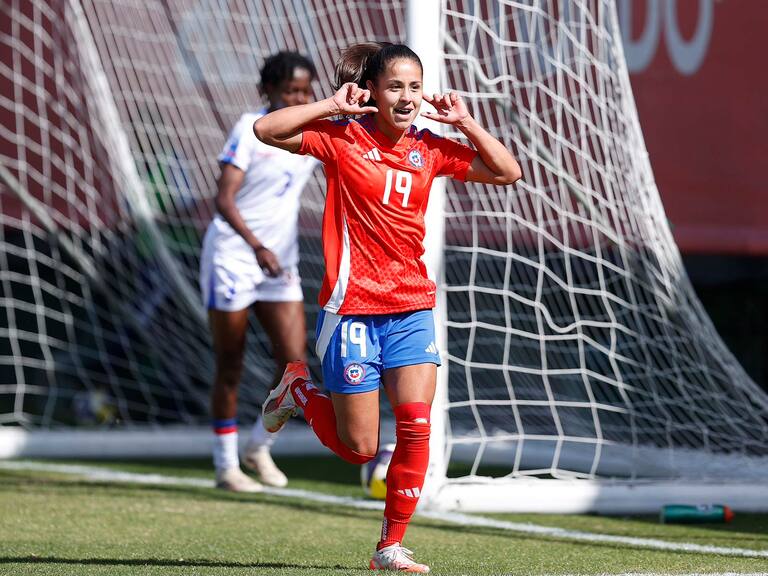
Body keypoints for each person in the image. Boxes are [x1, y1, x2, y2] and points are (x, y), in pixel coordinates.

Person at [254, 42, 521, 571]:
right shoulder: (342, 137)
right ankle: (298, 388)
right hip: (352, 309)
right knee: (359, 448)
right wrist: (330, 105)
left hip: (411, 307)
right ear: (372, 91)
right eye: (395, 86)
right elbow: (267, 130)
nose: (407, 97)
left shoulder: (431, 148)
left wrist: (465, 124)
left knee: (417, 424)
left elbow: (507, 171)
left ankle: (389, 547)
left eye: (415, 87)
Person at [200, 51, 319, 492]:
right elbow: (224, 200)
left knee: (295, 365)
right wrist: (256, 246)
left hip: (279, 262)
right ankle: (225, 464)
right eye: (291, 90)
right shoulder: (249, 131)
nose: (299, 98)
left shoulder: (311, 128)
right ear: (267, 91)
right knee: (230, 361)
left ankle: (258, 446)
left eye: (306, 90)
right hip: (233, 255)